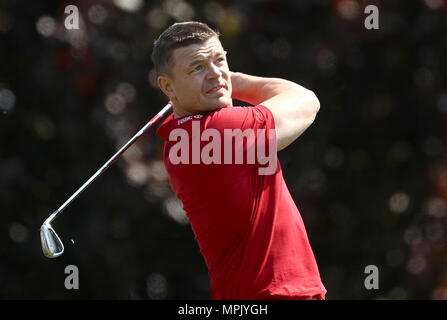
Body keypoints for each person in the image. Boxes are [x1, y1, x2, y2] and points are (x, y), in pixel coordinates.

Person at [153, 21, 326, 300]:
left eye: (219, 60)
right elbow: (306, 101)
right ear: (168, 87)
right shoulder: (216, 132)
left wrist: (215, 78)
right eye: (197, 67)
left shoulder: (183, 137)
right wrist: (234, 80)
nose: (215, 73)